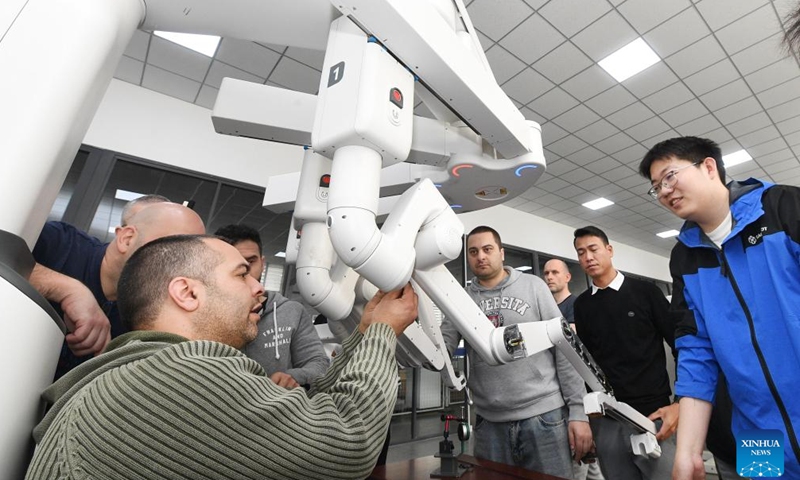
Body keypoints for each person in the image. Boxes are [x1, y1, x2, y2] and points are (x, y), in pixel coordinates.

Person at [26, 234, 418, 480]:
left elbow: (314, 410)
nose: (258, 287)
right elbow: (348, 446)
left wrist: (366, 334)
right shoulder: (185, 375)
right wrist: (384, 333)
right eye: (240, 274)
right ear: (187, 293)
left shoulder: (132, 373)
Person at [638, 136, 800, 479]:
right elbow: (696, 352)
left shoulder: (784, 208)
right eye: (656, 187)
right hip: (757, 435)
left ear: (709, 166)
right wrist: (688, 453)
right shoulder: (684, 257)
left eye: (669, 177)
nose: (664, 191)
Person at [439, 226, 592, 478]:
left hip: (545, 417)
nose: (481, 257)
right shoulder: (461, 299)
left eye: (487, 249)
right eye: (473, 252)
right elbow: (443, 347)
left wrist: (578, 411)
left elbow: (564, 348)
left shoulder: (534, 287)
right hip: (490, 424)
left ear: (502, 253)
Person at [29, 202, 205, 379]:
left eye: (192, 260)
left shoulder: (153, 311)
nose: (183, 268)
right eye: (174, 250)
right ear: (127, 239)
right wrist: (68, 290)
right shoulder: (61, 243)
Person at [572, 226, 678, 480]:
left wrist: (680, 402)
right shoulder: (583, 305)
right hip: (608, 417)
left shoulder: (646, 293)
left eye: (593, 249)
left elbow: (680, 345)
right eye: (581, 252)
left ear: (609, 250)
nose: (588, 257)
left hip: (654, 413)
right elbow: (588, 364)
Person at [214, 224, 328, 389]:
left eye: (251, 262)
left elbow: (318, 363)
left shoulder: (291, 311)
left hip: (279, 407)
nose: (246, 271)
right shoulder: (207, 314)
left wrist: (290, 377)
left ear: (262, 263)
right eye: (237, 266)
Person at [543, 258, 605, 480]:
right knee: (590, 463)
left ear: (567, 277)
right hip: (556, 391)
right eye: (546, 273)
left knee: (577, 461)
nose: (549, 276)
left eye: (555, 272)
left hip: (580, 392)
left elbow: (569, 341)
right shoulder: (547, 309)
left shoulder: (577, 306)